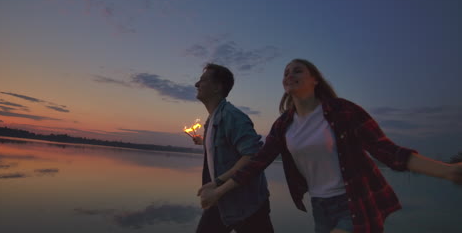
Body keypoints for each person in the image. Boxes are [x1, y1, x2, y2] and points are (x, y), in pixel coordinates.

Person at [198, 59, 462, 233]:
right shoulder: (283, 126)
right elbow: (256, 164)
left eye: (298, 70)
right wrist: (219, 188)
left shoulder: (343, 112)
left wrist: (448, 171)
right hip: (320, 208)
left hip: (352, 203)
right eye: (286, 72)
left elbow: (388, 152)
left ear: (315, 79)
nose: (290, 74)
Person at [192, 63, 274, 233]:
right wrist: (203, 141)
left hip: (247, 204)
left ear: (217, 87)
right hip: (219, 200)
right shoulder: (212, 121)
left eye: (202, 80)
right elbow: (223, 147)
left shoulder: (232, 116)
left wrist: (218, 184)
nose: (196, 84)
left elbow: (253, 156)